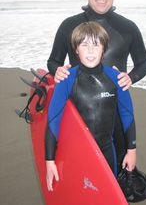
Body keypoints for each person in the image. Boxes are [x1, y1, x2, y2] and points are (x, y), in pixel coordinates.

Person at [47, 0, 146, 175]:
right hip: (78, 111)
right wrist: (56, 71)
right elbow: (54, 61)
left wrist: (131, 77)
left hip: (114, 109)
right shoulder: (69, 26)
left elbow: (144, 63)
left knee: (118, 161)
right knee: (79, 165)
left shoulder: (128, 28)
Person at [45, 22, 137, 192]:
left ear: (104, 48)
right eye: (84, 44)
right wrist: (49, 162)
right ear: (76, 49)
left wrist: (131, 151)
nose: (90, 50)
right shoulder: (67, 79)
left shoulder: (116, 77)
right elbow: (53, 121)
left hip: (107, 153)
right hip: (76, 154)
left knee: (106, 194)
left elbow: (127, 115)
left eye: (96, 44)